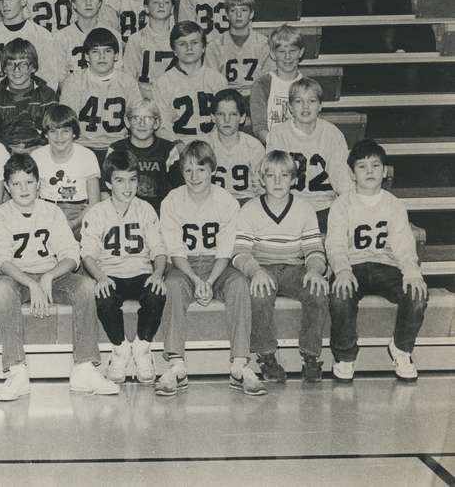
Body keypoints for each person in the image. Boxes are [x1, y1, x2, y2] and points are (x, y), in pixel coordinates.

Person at [0, 153, 118, 401]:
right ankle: (17, 371)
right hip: (17, 277)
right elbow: (1, 259)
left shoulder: (52, 211)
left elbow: (71, 255)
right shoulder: (0, 215)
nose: (23, 189)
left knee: (86, 287)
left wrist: (47, 277)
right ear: (6, 187)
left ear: (39, 183)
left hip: (52, 274)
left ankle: (84, 368)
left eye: (29, 182)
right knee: (2, 289)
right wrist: (30, 283)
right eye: (16, 184)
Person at [156, 141, 263, 396]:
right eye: (188, 170)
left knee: (239, 284)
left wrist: (211, 280)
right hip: (185, 265)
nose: (195, 177)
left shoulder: (226, 201)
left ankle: (239, 365)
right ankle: (176, 365)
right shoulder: (172, 200)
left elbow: (226, 250)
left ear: (212, 169)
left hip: (218, 264)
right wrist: (195, 279)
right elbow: (175, 250)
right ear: (181, 171)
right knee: (171, 285)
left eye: (201, 169)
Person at [328, 139, 428, 382]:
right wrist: (341, 270)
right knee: (341, 294)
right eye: (362, 167)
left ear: (385, 171)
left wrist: (411, 271)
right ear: (352, 174)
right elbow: (335, 244)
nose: (369, 171)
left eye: (375, 165)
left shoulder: (393, 205)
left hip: (387, 266)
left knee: (416, 292)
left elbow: (404, 244)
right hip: (353, 266)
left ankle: (402, 349)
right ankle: (345, 355)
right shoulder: (342, 204)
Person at [232, 149, 328, 383]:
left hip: (295, 267)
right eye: (270, 175)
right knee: (259, 293)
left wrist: (315, 269)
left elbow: (314, 250)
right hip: (263, 267)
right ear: (261, 179)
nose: (277, 181)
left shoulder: (305, 209)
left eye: (284, 175)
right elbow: (239, 252)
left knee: (317, 290)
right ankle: (266, 356)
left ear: (294, 180)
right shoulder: (249, 209)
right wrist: (255, 271)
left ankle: (311, 355)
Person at [79, 150, 167, 384]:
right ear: (108, 183)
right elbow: (87, 253)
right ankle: (119, 350)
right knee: (104, 296)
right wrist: (100, 277)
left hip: (141, 272)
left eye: (132, 179)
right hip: (111, 273)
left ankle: (142, 348)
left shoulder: (146, 209)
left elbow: (158, 249)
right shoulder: (97, 213)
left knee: (157, 292)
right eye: (120, 180)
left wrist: (158, 274)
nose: (127, 187)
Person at [265, 77, 352, 232]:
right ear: (290, 107)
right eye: (298, 101)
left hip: (325, 207)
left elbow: (342, 179)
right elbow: (274, 178)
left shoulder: (332, 134)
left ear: (320, 106)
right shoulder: (278, 134)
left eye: (311, 101)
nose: (305, 106)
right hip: (290, 206)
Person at [58, 27, 143, 163]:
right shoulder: (74, 81)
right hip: (82, 146)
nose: (102, 57)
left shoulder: (127, 82)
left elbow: (138, 118)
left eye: (107, 51)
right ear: (86, 56)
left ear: (116, 56)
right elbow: (66, 124)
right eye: (95, 52)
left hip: (118, 146)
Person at [153, 20, 229, 144]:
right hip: (177, 146)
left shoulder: (217, 80)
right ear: (174, 50)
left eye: (194, 43)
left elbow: (226, 121)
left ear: (204, 47)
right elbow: (161, 127)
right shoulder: (163, 82)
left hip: (213, 145)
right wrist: (178, 146)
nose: (189, 48)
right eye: (182, 44)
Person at [32, 104, 101, 236]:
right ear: (45, 134)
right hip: (46, 209)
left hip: (79, 212)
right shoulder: (37, 156)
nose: (59, 137)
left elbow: (94, 203)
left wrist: (74, 223)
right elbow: (33, 197)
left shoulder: (87, 156)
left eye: (65, 131)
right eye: (53, 131)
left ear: (74, 133)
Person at [0, 38, 58, 154]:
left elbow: (54, 130)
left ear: (33, 67)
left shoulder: (47, 95)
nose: (16, 70)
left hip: (41, 151)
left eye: (23, 64)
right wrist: (9, 149)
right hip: (4, 153)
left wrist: (38, 148)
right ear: (4, 69)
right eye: (10, 64)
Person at [109, 98, 182, 212]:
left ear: (156, 123)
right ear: (127, 122)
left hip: (160, 211)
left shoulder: (168, 149)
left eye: (148, 118)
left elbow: (179, 189)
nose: (142, 123)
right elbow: (107, 189)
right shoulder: (116, 149)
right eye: (136, 118)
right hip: (125, 211)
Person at [204, 0, 272, 99]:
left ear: (251, 14)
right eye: (233, 10)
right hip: (226, 99)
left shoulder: (264, 44)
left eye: (244, 10)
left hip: (256, 98)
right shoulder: (214, 46)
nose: (238, 15)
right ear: (226, 14)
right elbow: (212, 83)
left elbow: (268, 80)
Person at [206, 89, 265, 202]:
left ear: (242, 118)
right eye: (220, 114)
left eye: (233, 114)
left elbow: (260, 189)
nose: (226, 120)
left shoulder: (254, 147)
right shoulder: (205, 146)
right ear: (213, 117)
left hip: (245, 201)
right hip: (214, 202)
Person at [54, 0, 119, 80]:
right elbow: (60, 79)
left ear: (99, 3)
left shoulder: (113, 34)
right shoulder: (62, 36)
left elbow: (118, 75)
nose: (88, 3)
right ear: (74, 4)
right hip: (73, 92)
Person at [121, 0, 177, 98]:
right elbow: (128, 79)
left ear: (172, 8)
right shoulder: (136, 39)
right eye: (155, 2)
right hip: (144, 99)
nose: (161, 5)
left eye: (166, 2)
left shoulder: (181, 39)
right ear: (146, 8)